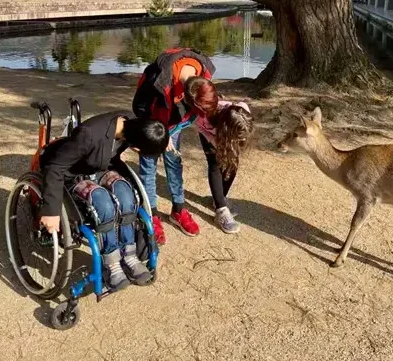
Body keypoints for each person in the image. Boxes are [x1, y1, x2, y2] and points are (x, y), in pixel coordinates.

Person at [39, 110, 169, 291]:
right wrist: (51, 211)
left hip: (100, 165)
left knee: (126, 194)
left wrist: (159, 138)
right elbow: (55, 167)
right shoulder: (88, 134)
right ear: (136, 148)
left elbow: (149, 130)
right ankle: (112, 262)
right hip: (71, 172)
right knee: (103, 202)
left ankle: (129, 254)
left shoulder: (132, 123)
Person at [132, 48, 218, 245]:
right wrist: (158, 136)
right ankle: (151, 214)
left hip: (172, 122)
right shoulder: (158, 79)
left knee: (174, 162)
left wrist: (171, 133)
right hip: (152, 121)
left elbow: (197, 114)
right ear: (185, 98)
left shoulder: (203, 74)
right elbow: (140, 108)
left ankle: (178, 210)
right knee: (148, 167)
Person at [195, 100, 254, 233]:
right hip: (211, 134)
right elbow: (199, 127)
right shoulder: (206, 116)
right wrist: (213, 140)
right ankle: (221, 210)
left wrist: (237, 141)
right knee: (215, 165)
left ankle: (219, 199)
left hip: (229, 134)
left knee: (233, 162)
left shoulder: (243, 111)